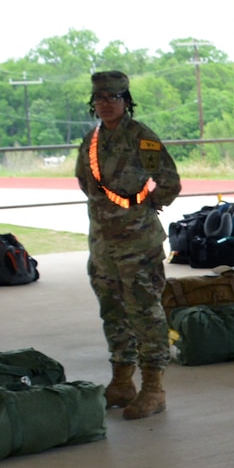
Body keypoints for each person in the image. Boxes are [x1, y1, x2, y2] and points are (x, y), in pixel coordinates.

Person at [76, 70, 182, 418]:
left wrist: (144, 206)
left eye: (113, 97)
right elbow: (84, 181)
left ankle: (154, 388)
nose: (106, 104)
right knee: (113, 312)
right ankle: (122, 381)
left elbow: (169, 181)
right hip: (103, 246)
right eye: (100, 99)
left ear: (126, 101)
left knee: (145, 312)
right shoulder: (91, 141)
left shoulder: (141, 137)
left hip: (138, 244)